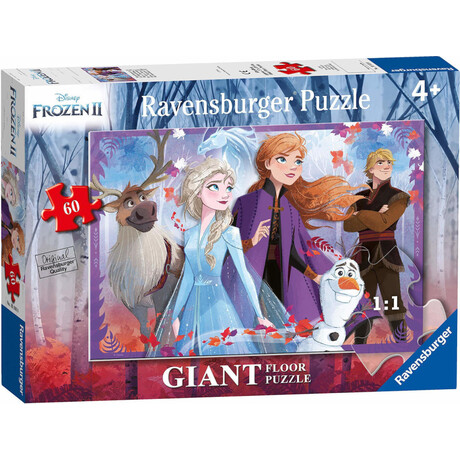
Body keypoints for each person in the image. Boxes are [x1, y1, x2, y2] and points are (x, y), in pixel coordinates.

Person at [150, 157, 290, 357]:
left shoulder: (229, 233)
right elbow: (188, 278)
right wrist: (174, 316)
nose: (225, 194)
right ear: (198, 191)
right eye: (214, 186)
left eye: (229, 188)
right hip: (191, 309)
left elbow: (244, 274)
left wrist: (260, 316)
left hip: (218, 305)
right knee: (192, 360)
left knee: (223, 354)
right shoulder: (189, 234)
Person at [231, 132, 362, 325]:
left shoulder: (290, 209)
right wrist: (252, 241)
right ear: (267, 163)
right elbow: (229, 245)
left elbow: (294, 251)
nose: (293, 166)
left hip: (281, 277)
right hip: (251, 278)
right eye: (282, 159)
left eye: (298, 161)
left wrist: (314, 276)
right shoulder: (247, 203)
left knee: (281, 326)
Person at [344, 148, 410, 343]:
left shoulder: (399, 196)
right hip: (363, 256)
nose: (386, 166)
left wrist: (361, 214)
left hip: (387, 253)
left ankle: (402, 344)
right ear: (371, 168)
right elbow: (347, 225)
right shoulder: (358, 198)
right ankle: (359, 346)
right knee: (363, 304)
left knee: (393, 302)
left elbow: (383, 223)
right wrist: (376, 214)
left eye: (389, 162)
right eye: (381, 162)